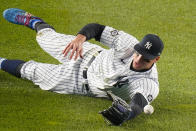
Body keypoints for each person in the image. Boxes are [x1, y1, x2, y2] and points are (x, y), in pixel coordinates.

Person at [1, 8, 164, 125]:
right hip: (86, 53)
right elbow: (98, 29)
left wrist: (127, 114)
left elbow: (137, 105)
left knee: (30, 71)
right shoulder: (128, 43)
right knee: (45, 37)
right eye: (138, 53)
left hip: (79, 84)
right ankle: (34, 21)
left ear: (155, 59)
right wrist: (80, 39)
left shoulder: (148, 83)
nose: (138, 59)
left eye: (145, 59)